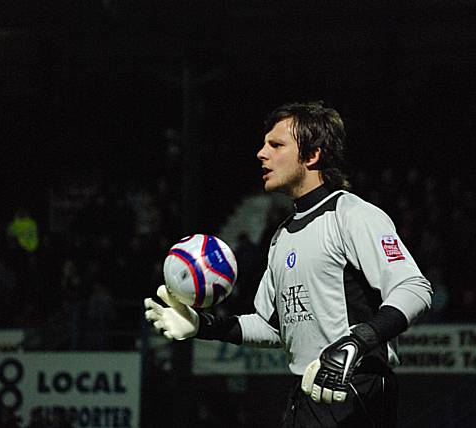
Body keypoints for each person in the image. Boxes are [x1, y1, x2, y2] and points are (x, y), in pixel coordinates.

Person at [144, 101, 433, 427]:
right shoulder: (282, 235)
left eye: (276, 145)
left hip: (354, 391)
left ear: (313, 156)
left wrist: (357, 341)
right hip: (305, 396)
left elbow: (414, 288)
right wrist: (204, 326)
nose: (261, 153)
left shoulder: (351, 214)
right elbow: (271, 326)